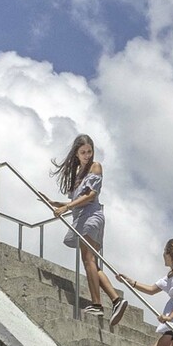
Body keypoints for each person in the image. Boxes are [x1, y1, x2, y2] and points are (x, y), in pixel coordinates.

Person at [39, 134, 128, 327]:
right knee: (91, 263)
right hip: (82, 217)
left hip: (91, 216)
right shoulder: (77, 172)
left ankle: (97, 304)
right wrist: (58, 203)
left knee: (88, 260)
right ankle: (116, 300)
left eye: (89, 151)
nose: (87, 155)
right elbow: (78, 201)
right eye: (83, 152)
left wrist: (66, 208)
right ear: (77, 153)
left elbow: (91, 196)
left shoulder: (95, 167)